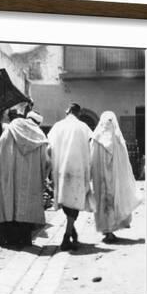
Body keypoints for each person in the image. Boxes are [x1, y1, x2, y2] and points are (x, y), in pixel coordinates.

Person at [0, 110, 49, 248]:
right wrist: (43, 179)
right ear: (38, 123)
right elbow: (46, 163)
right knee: (26, 207)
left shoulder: (10, 130)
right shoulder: (40, 138)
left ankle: (10, 240)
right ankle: (25, 239)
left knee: (9, 204)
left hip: (8, 177)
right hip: (30, 181)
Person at [47, 103, 94, 251]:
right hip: (78, 170)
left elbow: (49, 150)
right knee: (75, 203)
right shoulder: (83, 127)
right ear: (78, 113)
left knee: (67, 203)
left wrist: (53, 165)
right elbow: (91, 148)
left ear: (68, 111)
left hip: (62, 170)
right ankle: (67, 236)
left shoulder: (57, 126)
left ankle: (70, 233)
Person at [90, 111, 142, 242]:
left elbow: (90, 160)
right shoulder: (117, 139)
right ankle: (109, 231)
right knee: (111, 202)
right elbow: (125, 162)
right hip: (113, 179)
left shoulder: (95, 138)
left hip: (100, 180)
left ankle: (106, 230)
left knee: (103, 203)